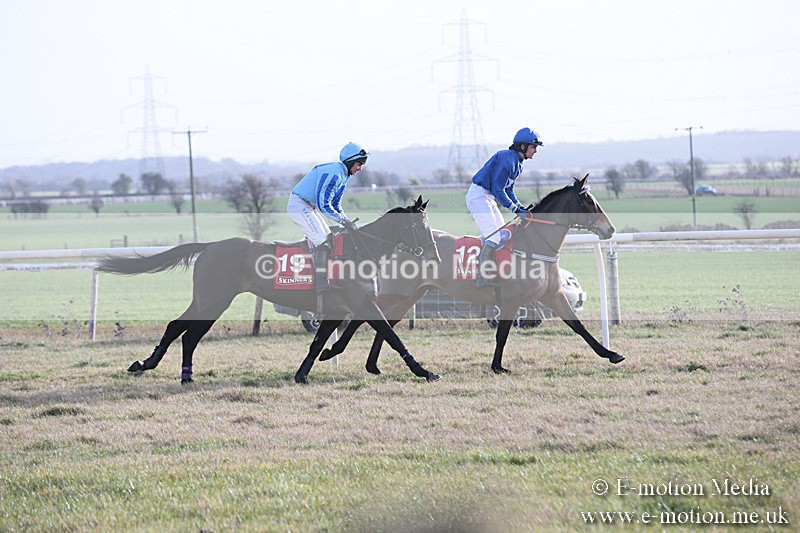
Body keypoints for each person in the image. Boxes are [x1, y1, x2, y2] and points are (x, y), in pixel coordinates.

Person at [287, 142, 368, 297]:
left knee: (329, 238)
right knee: (322, 240)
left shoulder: (343, 175)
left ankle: (324, 276)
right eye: (359, 164)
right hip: (299, 205)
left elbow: (336, 204)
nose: (360, 169)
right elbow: (324, 205)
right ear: (351, 161)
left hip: (308, 206)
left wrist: (345, 219)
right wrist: (343, 222)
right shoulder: (334, 174)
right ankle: (320, 282)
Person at [466, 127, 543, 287]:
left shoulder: (518, 163)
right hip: (479, 196)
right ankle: (482, 276)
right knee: (493, 236)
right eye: (533, 147)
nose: (535, 151)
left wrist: (520, 207)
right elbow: (497, 189)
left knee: (503, 235)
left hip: (487, 196)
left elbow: (508, 189)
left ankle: (493, 269)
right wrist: (514, 209)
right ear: (523, 146)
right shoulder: (506, 159)